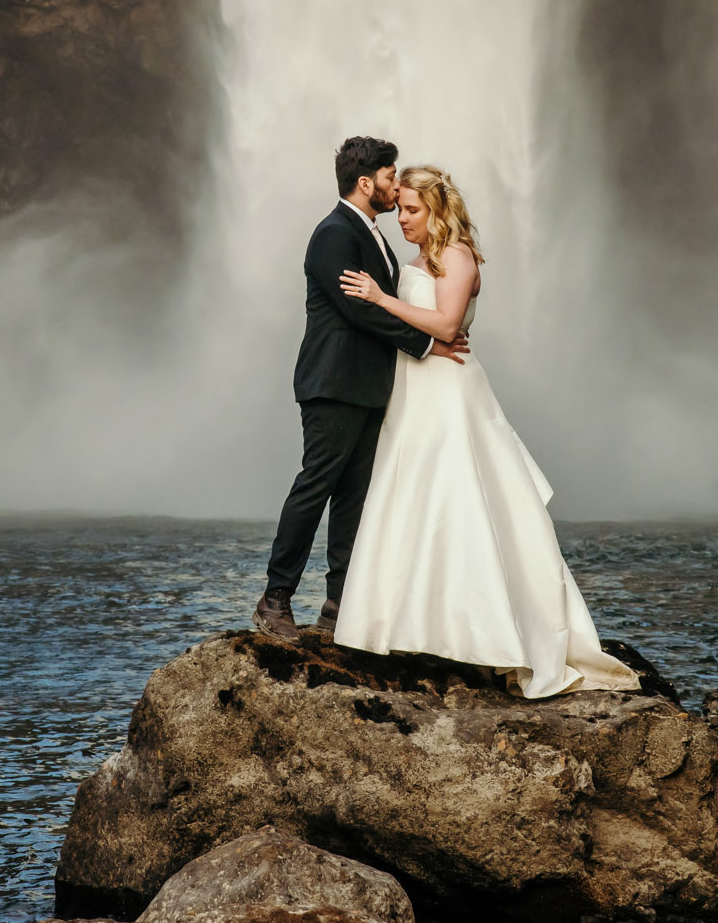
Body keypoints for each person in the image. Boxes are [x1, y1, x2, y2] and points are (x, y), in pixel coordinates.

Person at [330, 165, 639, 698]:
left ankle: (482, 633)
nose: (402, 218)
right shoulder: (416, 260)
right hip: (415, 386)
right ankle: (413, 628)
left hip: (449, 391)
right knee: (412, 498)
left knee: (459, 501)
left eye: (412, 209)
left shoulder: (457, 255)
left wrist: (380, 299)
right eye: (399, 207)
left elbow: (448, 325)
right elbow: (420, 329)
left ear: (438, 209)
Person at [254, 136, 471, 642]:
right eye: (392, 178)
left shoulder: (370, 233)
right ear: (366, 181)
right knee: (315, 488)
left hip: (369, 386)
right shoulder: (334, 233)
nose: (397, 189)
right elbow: (359, 310)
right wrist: (426, 344)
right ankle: (275, 598)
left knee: (353, 498)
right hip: (333, 383)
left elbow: (382, 304)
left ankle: (338, 605)